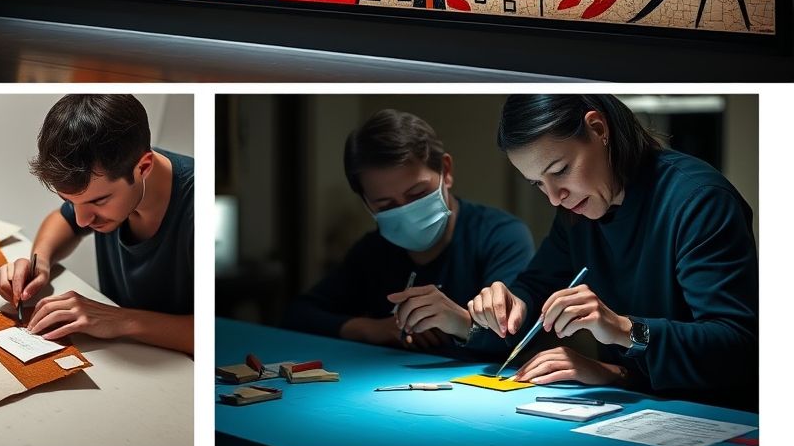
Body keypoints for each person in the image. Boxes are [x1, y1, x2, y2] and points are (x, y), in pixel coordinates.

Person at [467, 94, 758, 411]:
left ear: (598, 129)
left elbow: (737, 349)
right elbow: (537, 286)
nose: (554, 197)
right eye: (537, 183)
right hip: (633, 405)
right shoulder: (576, 212)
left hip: (722, 416)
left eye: (561, 169)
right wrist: (511, 304)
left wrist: (625, 329)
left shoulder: (700, 200)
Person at [284, 108, 534, 352]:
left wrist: (458, 321)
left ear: (446, 171)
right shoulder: (373, 252)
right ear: (366, 203)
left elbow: (517, 334)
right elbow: (298, 315)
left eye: (418, 194)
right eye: (387, 205)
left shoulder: (500, 237)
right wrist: (371, 328)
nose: (405, 211)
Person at [0, 94, 193, 355]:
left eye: (99, 201)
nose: (82, 219)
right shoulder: (111, 170)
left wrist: (121, 320)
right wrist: (40, 261)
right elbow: (63, 221)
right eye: (70, 201)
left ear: (143, 168)